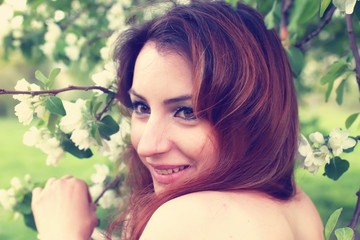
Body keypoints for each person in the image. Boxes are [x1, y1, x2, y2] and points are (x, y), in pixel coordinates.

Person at [31, 1, 324, 239]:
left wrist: (61, 233)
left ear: (252, 112)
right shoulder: (297, 206)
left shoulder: (188, 218)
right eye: (141, 107)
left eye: (187, 112)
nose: (147, 146)